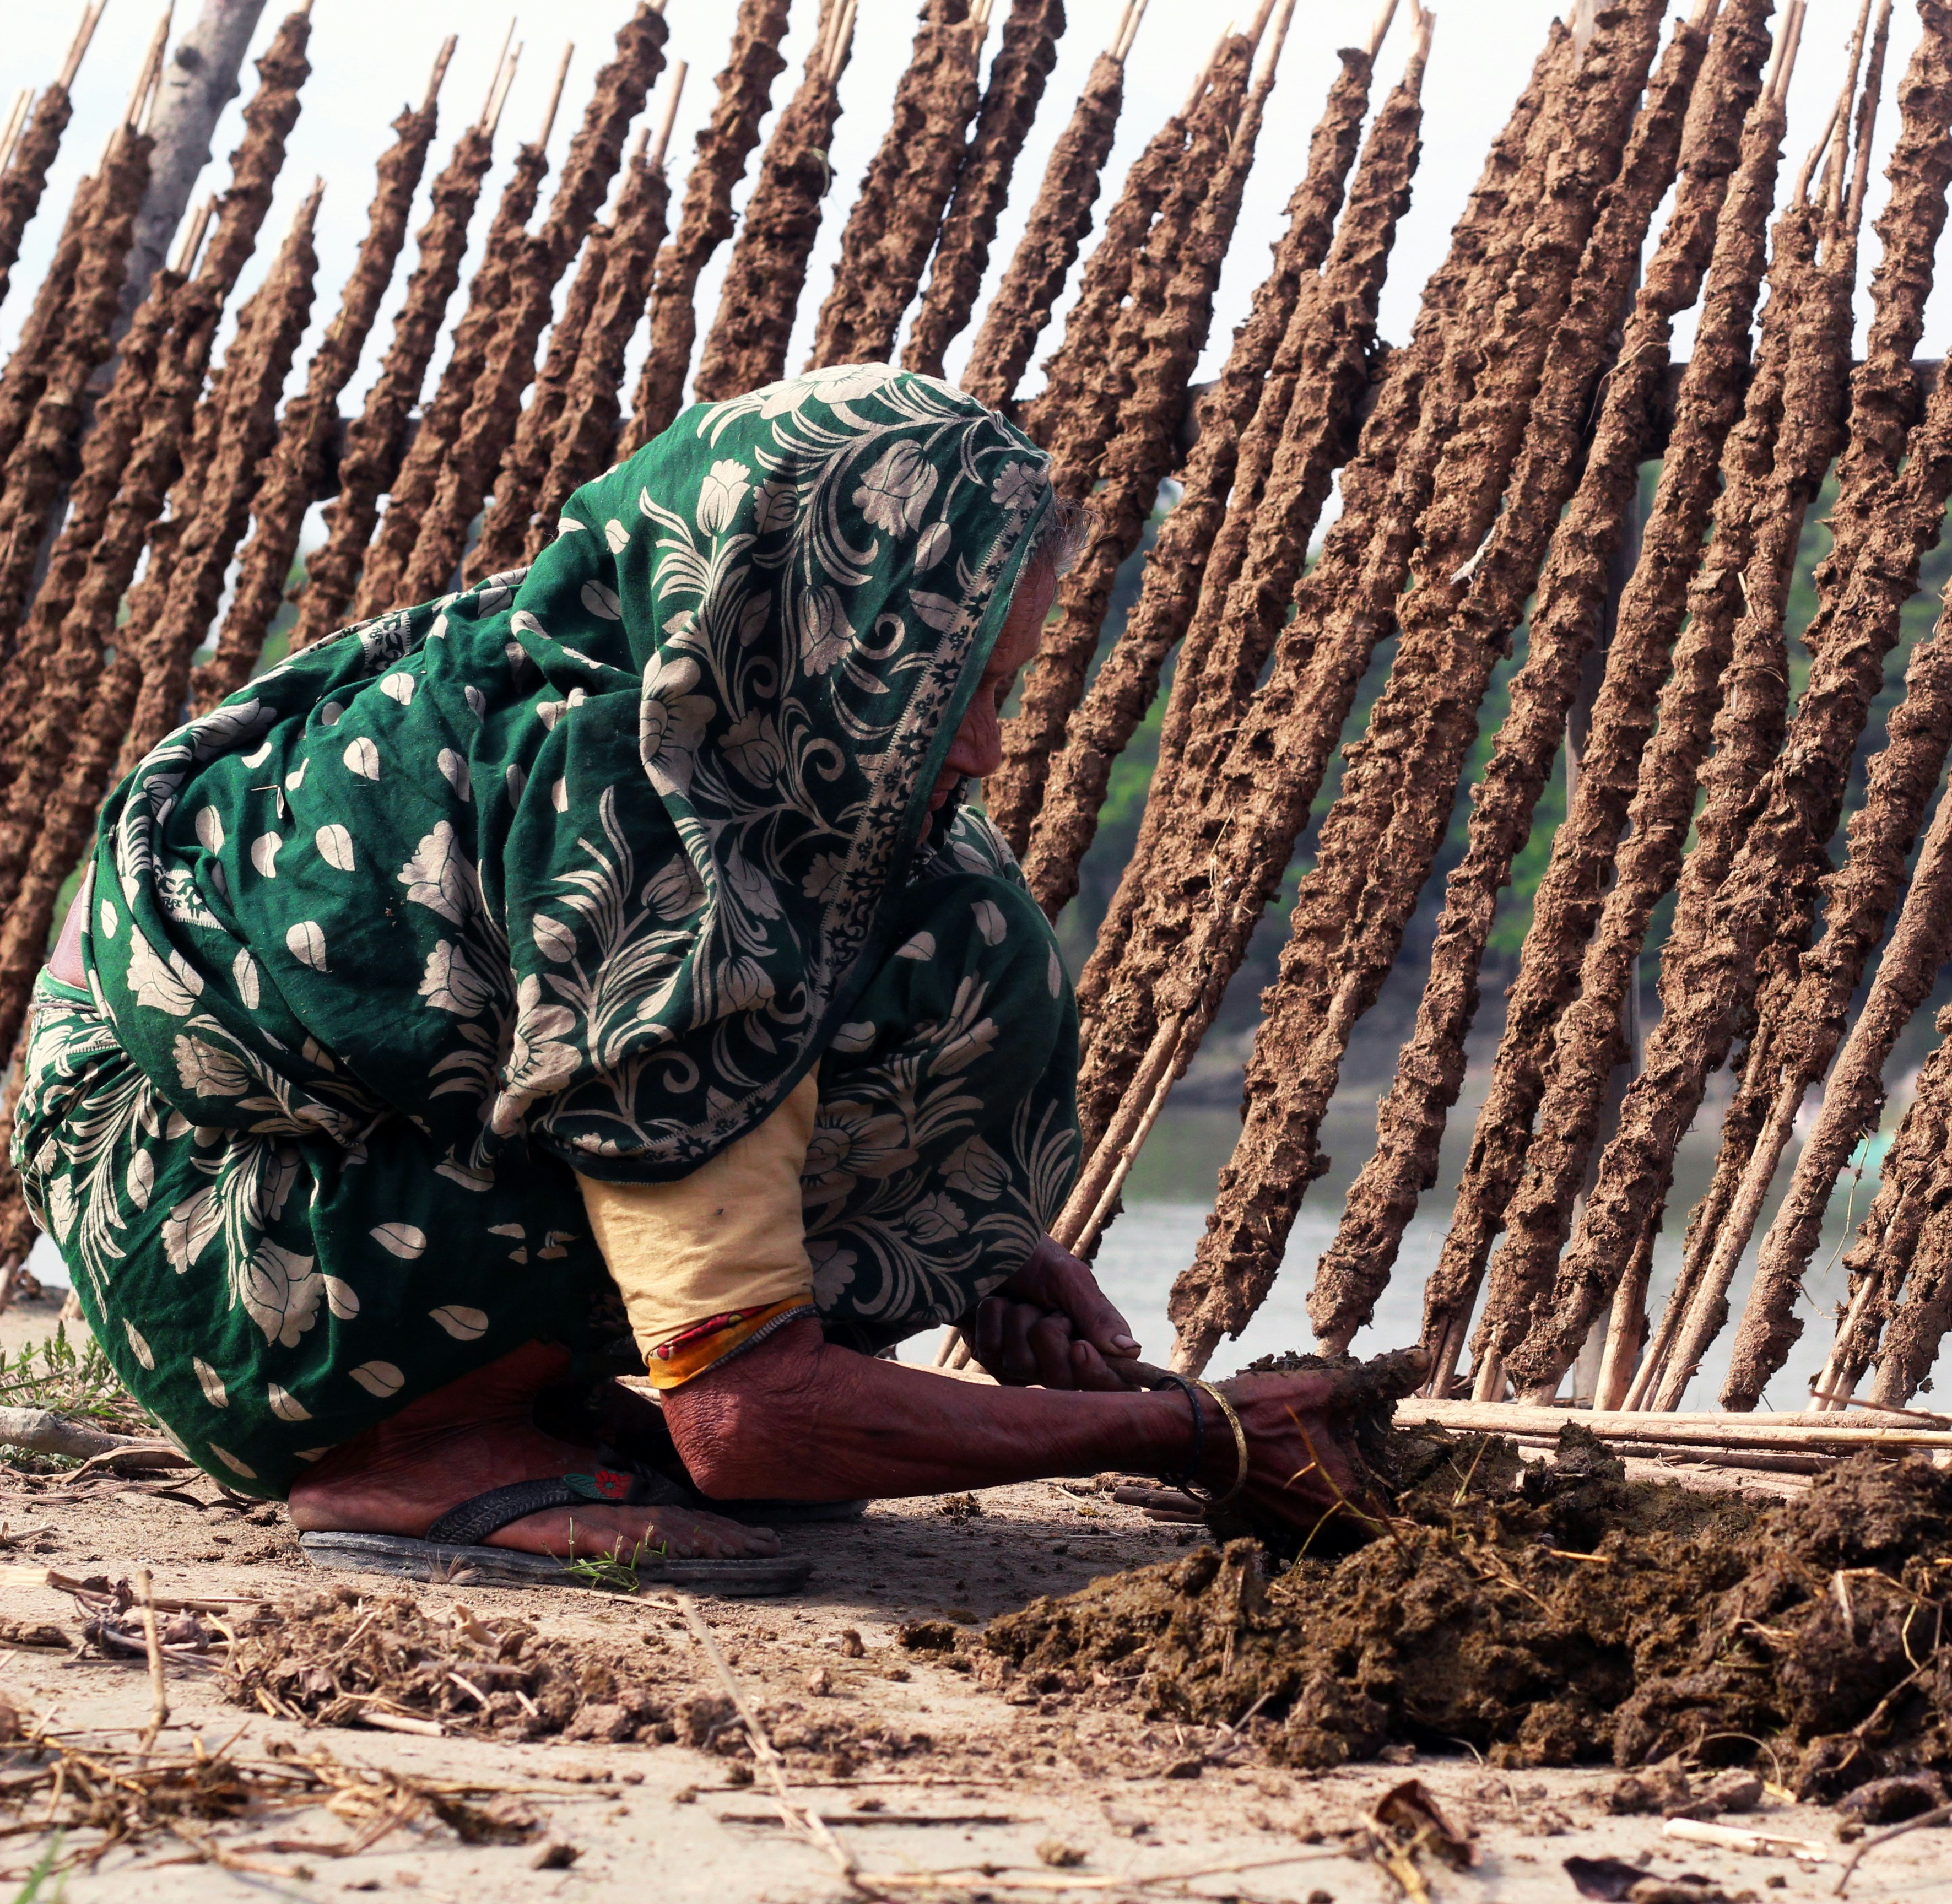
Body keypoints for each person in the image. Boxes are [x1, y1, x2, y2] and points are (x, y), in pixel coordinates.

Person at [13, 367, 1380, 1591]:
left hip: (306, 1162)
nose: (979, 745)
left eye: (994, 687)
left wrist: (973, 1234)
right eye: (949, 688)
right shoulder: (644, 836)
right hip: (211, 1222)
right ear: (800, 622)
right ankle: (409, 1449)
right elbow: (750, 1425)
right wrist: (1194, 1433)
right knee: (763, 1163)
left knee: (951, 907)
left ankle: (517, 1402)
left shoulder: (688, 709)